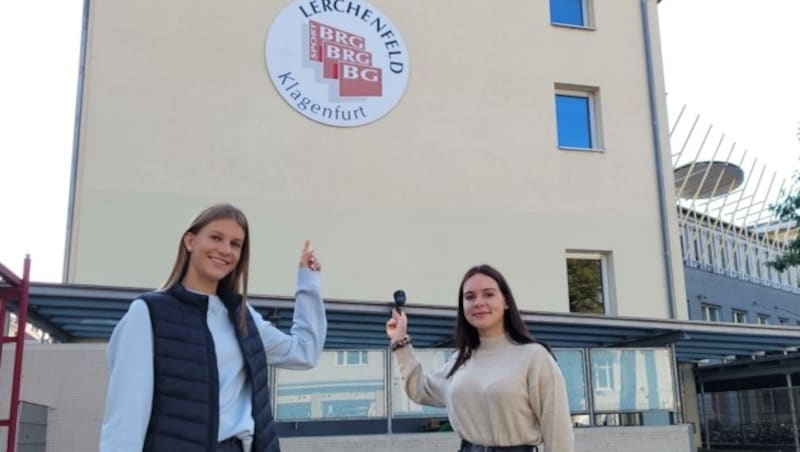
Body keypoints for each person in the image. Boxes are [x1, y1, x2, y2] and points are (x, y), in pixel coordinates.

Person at [100, 204, 327, 452]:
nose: (225, 250)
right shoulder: (149, 313)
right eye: (216, 237)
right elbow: (126, 414)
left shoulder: (242, 316)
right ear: (190, 241)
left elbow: (304, 352)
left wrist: (308, 284)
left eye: (235, 244)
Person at [386, 264, 575, 452]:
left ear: (506, 301)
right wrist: (400, 342)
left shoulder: (534, 357)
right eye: (470, 297)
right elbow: (420, 390)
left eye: (489, 294)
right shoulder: (459, 360)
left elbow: (558, 433)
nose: (478, 302)